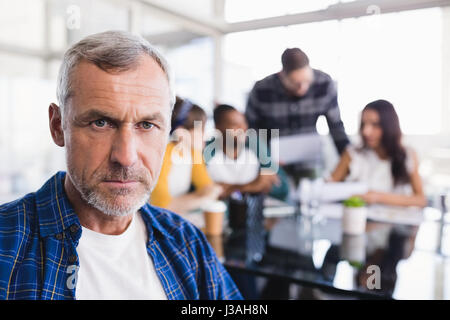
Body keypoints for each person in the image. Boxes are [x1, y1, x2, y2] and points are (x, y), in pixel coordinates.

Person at [0, 31, 242, 300]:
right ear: (58, 126)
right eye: (101, 123)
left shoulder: (187, 244)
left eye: (147, 125)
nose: (126, 157)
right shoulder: (6, 248)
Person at [245, 48, 350, 183]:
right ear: (282, 75)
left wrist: (348, 161)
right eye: (296, 83)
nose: (302, 88)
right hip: (273, 162)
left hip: (309, 160)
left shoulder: (324, 83)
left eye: (307, 81)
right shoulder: (261, 89)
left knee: (313, 195)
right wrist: (265, 160)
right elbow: (252, 130)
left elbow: (336, 127)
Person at [330, 99, 426, 207]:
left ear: (389, 126)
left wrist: (377, 197)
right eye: (363, 124)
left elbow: (420, 200)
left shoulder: (408, 155)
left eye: (375, 124)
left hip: (395, 220)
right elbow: (328, 190)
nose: (366, 131)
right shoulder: (352, 154)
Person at [150, 97, 222, 214]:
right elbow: (161, 205)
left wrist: (182, 203)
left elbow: (208, 187)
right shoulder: (166, 153)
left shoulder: (193, 152)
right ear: (181, 132)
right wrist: (203, 198)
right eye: (200, 130)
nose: (205, 135)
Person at [204, 104, 289, 201]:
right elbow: (199, 191)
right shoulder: (207, 150)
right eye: (235, 124)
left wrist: (229, 189)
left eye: (244, 122)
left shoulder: (254, 146)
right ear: (218, 128)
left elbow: (283, 187)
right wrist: (253, 185)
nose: (243, 128)